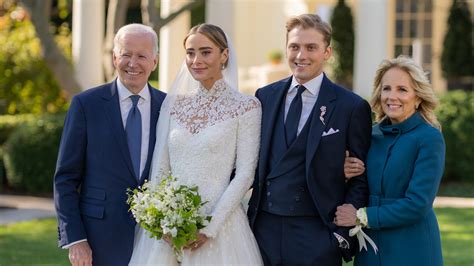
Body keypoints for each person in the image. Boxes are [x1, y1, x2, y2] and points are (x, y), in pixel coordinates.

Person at [129, 23, 263, 265]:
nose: (196, 60)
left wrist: (209, 226)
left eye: (205, 51)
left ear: (224, 55)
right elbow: (160, 168)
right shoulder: (173, 105)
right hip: (169, 230)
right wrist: (162, 221)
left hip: (221, 228)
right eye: (190, 53)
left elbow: (245, 174)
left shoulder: (247, 107)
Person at [247, 13, 372, 266]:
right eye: (294, 47)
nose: (301, 55)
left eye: (311, 47)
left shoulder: (351, 106)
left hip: (316, 234)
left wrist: (339, 237)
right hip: (262, 231)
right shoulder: (265, 96)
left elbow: (360, 180)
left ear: (327, 53)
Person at [53, 24, 166, 266]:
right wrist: (76, 239)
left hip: (157, 241)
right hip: (98, 239)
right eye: (126, 54)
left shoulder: (169, 107)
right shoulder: (86, 105)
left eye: (141, 56)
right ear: (115, 57)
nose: (132, 63)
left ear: (155, 61)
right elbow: (65, 179)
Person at [336, 56, 445, 266]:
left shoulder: (429, 138)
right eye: (387, 88)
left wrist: (361, 216)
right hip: (370, 249)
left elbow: (417, 204)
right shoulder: (371, 135)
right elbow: (360, 185)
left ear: (418, 97)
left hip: (412, 247)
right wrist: (345, 173)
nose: (392, 96)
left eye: (402, 90)